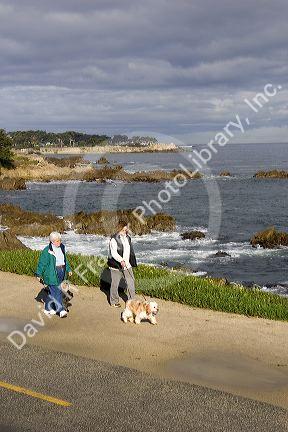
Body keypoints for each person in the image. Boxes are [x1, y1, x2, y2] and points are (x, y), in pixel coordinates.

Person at [36, 232, 72, 318]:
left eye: (60, 240)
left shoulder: (62, 247)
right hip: (51, 273)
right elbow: (42, 263)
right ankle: (61, 310)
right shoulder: (47, 251)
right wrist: (38, 274)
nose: (59, 242)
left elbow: (65, 259)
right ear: (52, 241)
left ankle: (48, 308)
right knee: (57, 291)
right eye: (57, 241)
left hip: (61, 271)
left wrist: (68, 269)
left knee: (55, 291)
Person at [107, 219, 137, 307]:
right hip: (116, 265)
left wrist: (129, 262)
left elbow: (129, 251)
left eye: (126, 230)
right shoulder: (113, 239)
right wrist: (121, 260)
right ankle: (114, 301)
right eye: (123, 230)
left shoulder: (128, 238)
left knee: (131, 282)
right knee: (115, 283)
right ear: (119, 229)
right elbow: (114, 253)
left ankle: (132, 302)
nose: (125, 232)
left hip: (127, 265)